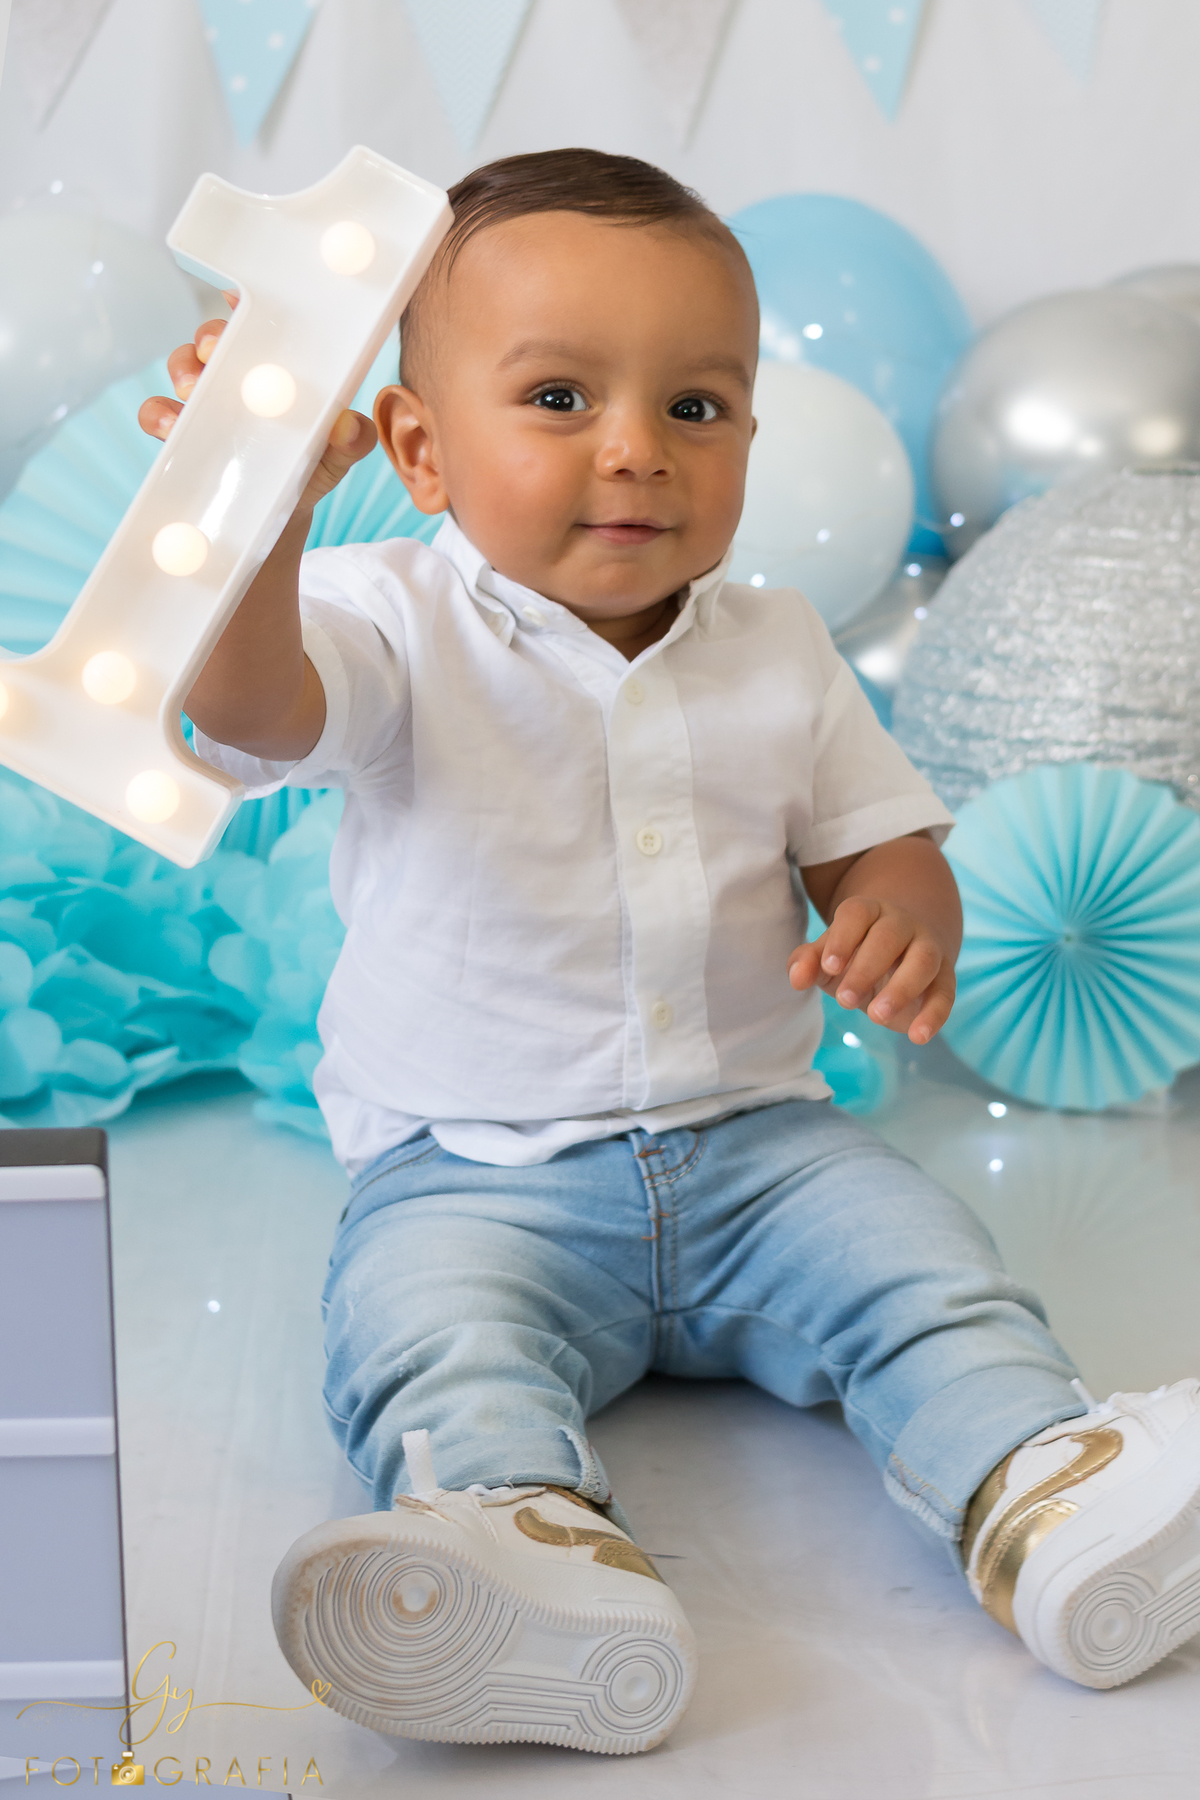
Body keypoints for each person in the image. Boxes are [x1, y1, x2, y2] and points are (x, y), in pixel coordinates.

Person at [143, 149, 1200, 1757]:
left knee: (921, 1272)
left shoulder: (777, 648)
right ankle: (510, 1546)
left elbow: (880, 837)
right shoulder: (388, 622)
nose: (635, 449)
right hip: (471, 1168)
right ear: (420, 453)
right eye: (559, 398)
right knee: (424, 1327)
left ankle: (1039, 1492)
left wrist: (902, 914)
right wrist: (261, 523)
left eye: (694, 409)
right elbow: (249, 710)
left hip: (759, 1148)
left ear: (750, 443)